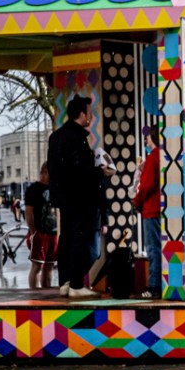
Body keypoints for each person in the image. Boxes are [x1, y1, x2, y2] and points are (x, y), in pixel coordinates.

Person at [47, 95, 112, 298]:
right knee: (83, 242)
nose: (91, 117)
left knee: (66, 239)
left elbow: (56, 170)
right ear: (82, 114)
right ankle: (76, 283)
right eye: (89, 113)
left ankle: (65, 282)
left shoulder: (56, 137)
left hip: (63, 199)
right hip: (81, 199)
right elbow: (79, 171)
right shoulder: (76, 138)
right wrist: (101, 172)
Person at [133, 128, 161, 299]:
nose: (146, 140)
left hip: (150, 209)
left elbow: (147, 185)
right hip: (160, 209)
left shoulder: (152, 158)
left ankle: (154, 286)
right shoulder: (162, 156)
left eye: (147, 137)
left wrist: (136, 201)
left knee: (152, 249)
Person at [24, 163, 58, 289]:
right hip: (40, 233)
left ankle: (46, 292)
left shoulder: (56, 188)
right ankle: (34, 294)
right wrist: (33, 232)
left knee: (50, 266)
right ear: (44, 172)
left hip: (54, 233)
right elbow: (28, 212)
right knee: (37, 266)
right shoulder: (33, 189)